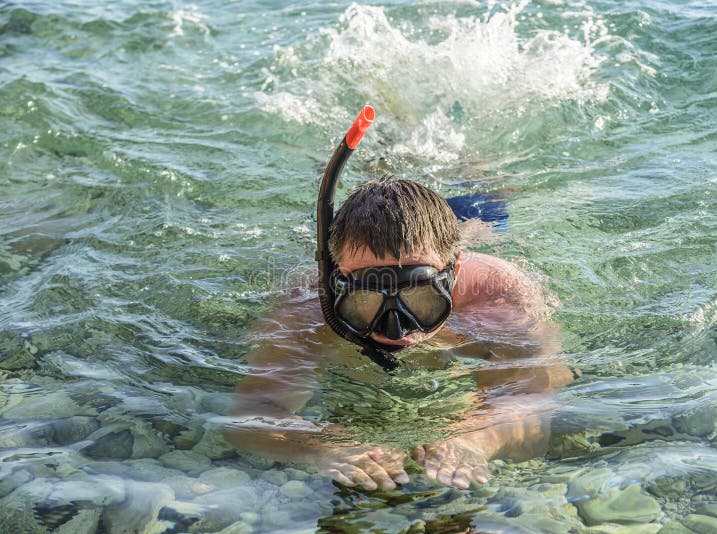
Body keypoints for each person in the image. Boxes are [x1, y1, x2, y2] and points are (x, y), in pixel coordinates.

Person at [224, 108, 574, 491]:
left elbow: (534, 393)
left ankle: (422, 127)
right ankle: (395, 125)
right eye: (368, 298)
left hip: (470, 215)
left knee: (474, 176)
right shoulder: (310, 302)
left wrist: (473, 440)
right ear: (336, 275)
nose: (397, 329)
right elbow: (250, 416)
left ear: (454, 270)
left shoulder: (496, 291)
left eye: (420, 297)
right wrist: (324, 446)